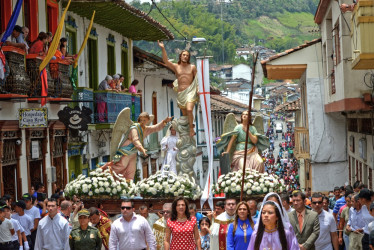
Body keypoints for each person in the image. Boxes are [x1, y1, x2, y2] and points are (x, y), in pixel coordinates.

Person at [100, 112, 172, 180]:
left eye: (144, 120)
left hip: (133, 151)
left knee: (131, 170)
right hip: (127, 150)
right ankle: (105, 173)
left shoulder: (146, 129)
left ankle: (128, 186)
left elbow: (156, 128)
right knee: (122, 165)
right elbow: (135, 140)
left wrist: (165, 121)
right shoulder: (134, 128)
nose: (142, 122)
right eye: (141, 120)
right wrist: (142, 149)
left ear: (147, 120)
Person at [158, 41, 198, 137]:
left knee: (189, 110)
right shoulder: (176, 67)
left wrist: (198, 89)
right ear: (180, 56)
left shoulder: (192, 67)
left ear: (189, 58)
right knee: (184, 115)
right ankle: (186, 131)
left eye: (187, 56)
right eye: (184, 55)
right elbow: (166, 61)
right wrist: (163, 48)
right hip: (181, 93)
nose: (185, 57)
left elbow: (197, 80)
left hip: (190, 91)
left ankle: (192, 129)